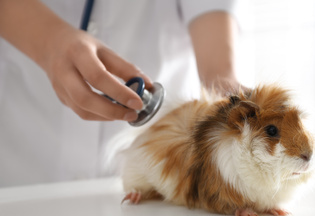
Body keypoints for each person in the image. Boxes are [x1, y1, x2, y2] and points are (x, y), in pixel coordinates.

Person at [0, 0, 242, 187]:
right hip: (23, 162)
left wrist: (223, 85)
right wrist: (50, 41)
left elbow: (216, 55)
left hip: (152, 176)